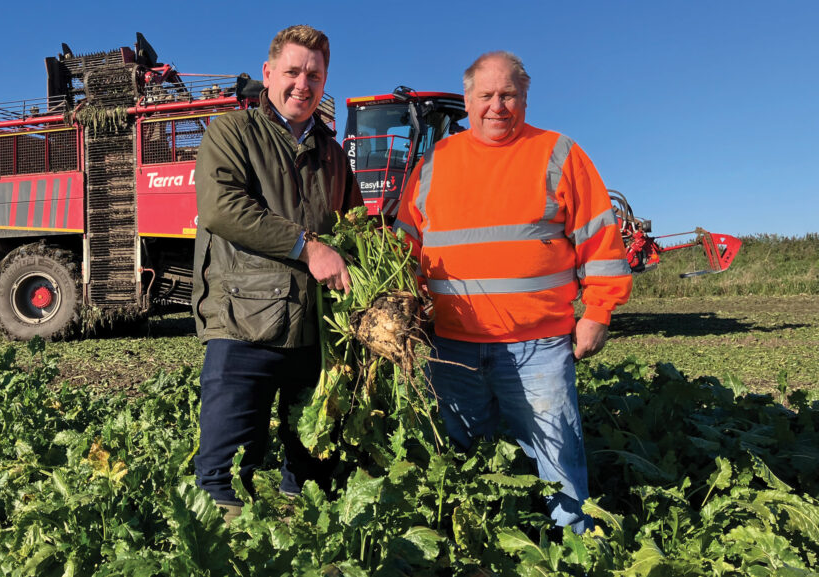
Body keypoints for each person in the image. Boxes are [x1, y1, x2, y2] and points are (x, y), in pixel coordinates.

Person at [393, 51, 632, 533]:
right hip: (453, 346)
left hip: (538, 345)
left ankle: (574, 548)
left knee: (558, 459)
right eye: (486, 96)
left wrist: (599, 310)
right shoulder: (435, 164)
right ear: (468, 99)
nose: (496, 106)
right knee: (464, 461)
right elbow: (406, 249)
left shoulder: (558, 153)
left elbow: (600, 240)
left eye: (508, 95)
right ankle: (476, 542)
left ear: (524, 97)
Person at [191, 25, 363, 521]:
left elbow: (350, 228)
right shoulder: (232, 132)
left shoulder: (333, 153)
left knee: (306, 466)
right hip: (245, 319)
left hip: (314, 327)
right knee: (221, 470)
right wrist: (307, 248)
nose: (302, 84)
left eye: (314, 75)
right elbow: (221, 209)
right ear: (268, 73)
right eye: (292, 71)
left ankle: (300, 539)